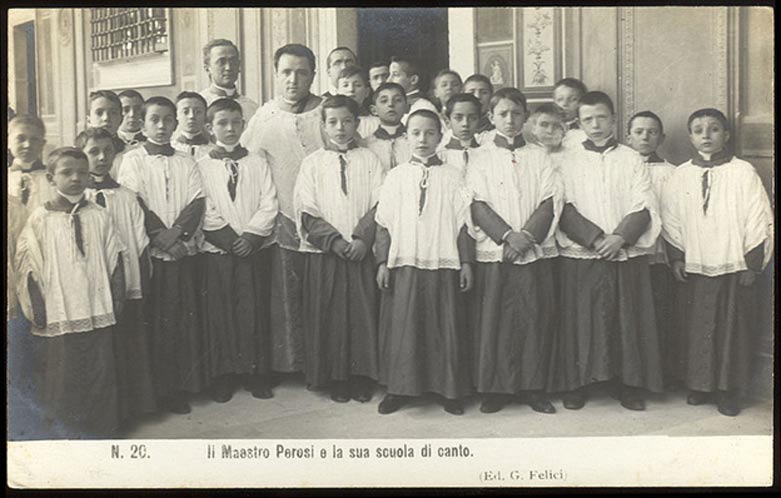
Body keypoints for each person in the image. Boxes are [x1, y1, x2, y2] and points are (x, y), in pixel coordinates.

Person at [551, 91, 663, 411]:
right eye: (587, 119)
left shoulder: (631, 158)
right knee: (581, 320)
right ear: (579, 122)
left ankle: (626, 384)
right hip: (584, 250)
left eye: (601, 118)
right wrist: (595, 238)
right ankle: (577, 383)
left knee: (624, 319)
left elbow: (645, 204)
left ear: (613, 119)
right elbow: (563, 206)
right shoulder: (567, 160)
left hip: (622, 250)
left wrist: (620, 238)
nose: (595, 125)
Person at [661, 108, 773, 417]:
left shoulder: (742, 172)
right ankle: (699, 385)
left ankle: (729, 389)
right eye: (699, 130)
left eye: (713, 129)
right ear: (690, 137)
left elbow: (758, 217)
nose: (706, 135)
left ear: (725, 135)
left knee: (732, 328)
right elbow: (671, 218)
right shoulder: (680, 175)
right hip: (696, 262)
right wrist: (677, 257)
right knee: (697, 327)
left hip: (733, 262)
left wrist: (752, 263)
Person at [15, 147, 126, 438]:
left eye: (82, 172)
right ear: (51, 178)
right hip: (59, 309)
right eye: (67, 172)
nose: (76, 177)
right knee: (62, 373)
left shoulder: (100, 216)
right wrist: (37, 309)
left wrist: (116, 298)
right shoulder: (40, 219)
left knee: (100, 370)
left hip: (96, 307)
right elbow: (28, 268)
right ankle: (66, 432)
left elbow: (115, 258)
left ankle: (103, 430)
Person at [375, 109, 475, 415]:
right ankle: (399, 389)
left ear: (441, 135)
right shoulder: (395, 176)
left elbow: (464, 223)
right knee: (405, 325)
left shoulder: (454, 176)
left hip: (442, 260)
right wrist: (382, 262)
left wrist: (467, 262)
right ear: (406, 137)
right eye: (416, 133)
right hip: (404, 261)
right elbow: (384, 222)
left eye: (430, 133)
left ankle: (448, 390)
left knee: (443, 325)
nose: (422, 139)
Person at [467, 87, 560, 414]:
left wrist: (526, 238)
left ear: (526, 118)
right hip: (497, 250)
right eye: (503, 114)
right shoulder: (479, 158)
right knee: (496, 319)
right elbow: (476, 203)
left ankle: (533, 387)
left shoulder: (539, 156)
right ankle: (496, 388)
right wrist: (505, 236)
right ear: (491, 118)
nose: (510, 120)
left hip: (530, 250)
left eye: (516, 114)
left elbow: (550, 202)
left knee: (533, 318)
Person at [118, 96, 206, 415]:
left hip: (183, 252)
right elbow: (134, 202)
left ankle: (180, 387)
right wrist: (164, 239)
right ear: (143, 123)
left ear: (175, 123)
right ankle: (157, 391)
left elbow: (196, 201)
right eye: (154, 119)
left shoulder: (186, 161)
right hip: (153, 255)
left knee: (181, 320)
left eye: (168, 120)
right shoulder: (133, 160)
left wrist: (180, 236)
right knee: (156, 322)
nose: (161, 126)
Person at [293, 95, 384, 403]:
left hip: (360, 251)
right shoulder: (312, 163)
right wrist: (333, 241)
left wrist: (361, 238)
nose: (340, 128)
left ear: (357, 124)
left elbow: (379, 204)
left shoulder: (369, 160)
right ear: (323, 125)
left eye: (347, 121)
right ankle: (335, 377)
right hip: (327, 253)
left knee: (361, 315)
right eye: (332, 122)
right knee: (329, 315)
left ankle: (361, 376)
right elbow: (306, 209)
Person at [241, 43, 325, 375]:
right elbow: (251, 163)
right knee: (286, 293)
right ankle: (290, 364)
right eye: (286, 72)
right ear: (276, 74)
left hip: (323, 217)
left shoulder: (325, 111)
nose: (294, 79)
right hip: (282, 217)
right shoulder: (265, 115)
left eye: (301, 72)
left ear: (312, 75)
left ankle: (323, 363)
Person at [198, 98, 279, 402]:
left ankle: (255, 374)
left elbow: (269, 202)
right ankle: (224, 375)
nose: (230, 128)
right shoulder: (201, 166)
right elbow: (203, 206)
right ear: (210, 128)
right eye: (222, 123)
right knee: (221, 313)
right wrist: (230, 240)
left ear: (244, 125)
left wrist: (251, 237)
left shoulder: (257, 162)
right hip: (219, 251)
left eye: (236, 122)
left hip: (253, 250)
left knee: (253, 311)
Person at [77, 127, 157, 422]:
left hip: (127, 283)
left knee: (127, 343)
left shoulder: (127, 196)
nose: (101, 158)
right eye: (93, 152)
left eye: (107, 151)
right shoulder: (78, 196)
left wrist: (137, 284)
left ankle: (129, 408)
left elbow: (140, 243)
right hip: (88, 286)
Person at [626, 110, 678, 386]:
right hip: (627, 254)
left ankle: (655, 378)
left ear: (662, 137)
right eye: (639, 131)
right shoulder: (619, 167)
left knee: (656, 316)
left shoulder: (672, 173)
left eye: (652, 132)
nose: (645, 137)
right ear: (628, 136)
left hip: (657, 257)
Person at [200, 39, 259, 119]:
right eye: (221, 62)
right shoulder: (199, 105)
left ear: (239, 66)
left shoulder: (252, 108)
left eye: (233, 61)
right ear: (207, 69)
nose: (228, 68)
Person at [363, 82, 411, 172]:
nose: (391, 104)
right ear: (374, 110)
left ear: (406, 107)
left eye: (397, 100)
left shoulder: (414, 141)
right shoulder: (367, 144)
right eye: (384, 101)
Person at [437, 93, 483, 177]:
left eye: (472, 118)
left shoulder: (486, 154)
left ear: (479, 120)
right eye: (458, 118)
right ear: (448, 122)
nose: (465, 123)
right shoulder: (440, 156)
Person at [87, 90, 128, 178]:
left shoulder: (131, 154)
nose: (106, 118)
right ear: (88, 119)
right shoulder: (79, 154)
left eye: (113, 113)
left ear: (121, 119)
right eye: (99, 113)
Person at [336, 65, 380, 139]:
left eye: (357, 85)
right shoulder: (333, 122)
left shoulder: (376, 123)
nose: (351, 89)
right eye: (345, 85)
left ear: (367, 92)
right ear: (338, 92)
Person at [525, 103, 567, 169]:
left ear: (564, 130)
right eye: (544, 124)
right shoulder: (525, 156)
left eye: (556, 126)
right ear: (534, 128)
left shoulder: (572, 156)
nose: (550, 131)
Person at [172, 91, 211, 159]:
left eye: (198, 112)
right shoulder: (172, 148)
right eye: (185, 112)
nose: (191, 116)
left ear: (205, 115)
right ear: (176, 115)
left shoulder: (213, 150)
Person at [552, 78, 588, 150]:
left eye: (572, 99)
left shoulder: (587, 132)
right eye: (560, 99)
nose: (565, 104)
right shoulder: (546, 130)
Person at [463, 74, 495, 141]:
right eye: (471, 93)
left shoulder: (498, 127)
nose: (477, 97)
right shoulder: (455, 127)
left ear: (491, 96)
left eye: (484, 93)